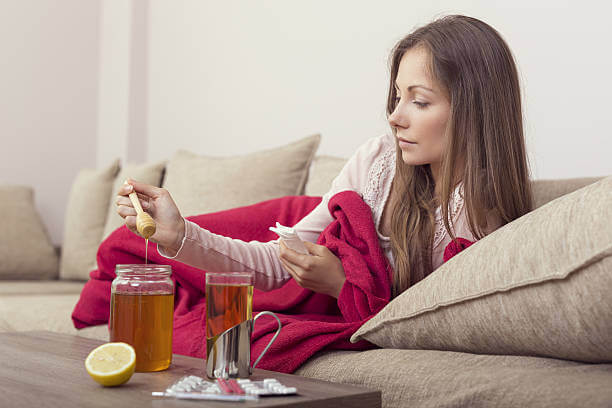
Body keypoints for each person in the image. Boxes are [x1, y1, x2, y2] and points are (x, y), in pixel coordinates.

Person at [116, 15, 532, 299]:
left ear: (474, 111)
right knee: (124, 252)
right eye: (397, 97)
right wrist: (176, 233)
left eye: (419, 102)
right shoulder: (377, 162)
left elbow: (434, 323)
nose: (394, 117)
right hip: (299, 216)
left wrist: (341, 287)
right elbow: (275, 264)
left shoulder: (478, 218)